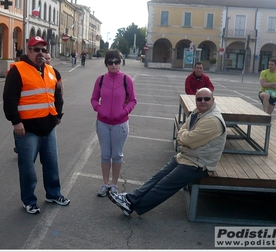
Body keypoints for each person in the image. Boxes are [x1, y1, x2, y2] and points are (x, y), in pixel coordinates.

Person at [107, 88, 226, 216]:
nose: (202, 101)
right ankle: (130, 199)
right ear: (195, 100)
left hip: (199, 164)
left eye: (206, 98)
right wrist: (184, 135)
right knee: (157, 178)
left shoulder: (212, 120)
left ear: (213, 100)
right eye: (199, 99)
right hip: (187, 156)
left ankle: (132, 205)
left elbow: (187, 140)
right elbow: (184, 133)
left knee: (164, 186)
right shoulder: (197, 113)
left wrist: (183, 135)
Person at [3, 35, 69, 215]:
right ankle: (29, 201)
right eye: (36, 49)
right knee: (28, 168)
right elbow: (9, 99)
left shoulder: (50, 70)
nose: (41, 53)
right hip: (27, 130)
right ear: (29, 50)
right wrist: (16, 122)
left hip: (48, 127)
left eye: (43, 50)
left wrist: (58, 114)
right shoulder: (18, 70)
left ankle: (53, 194)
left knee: (51, 164)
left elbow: (57, 95)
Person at [91, 50, 137, 197]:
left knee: (116, 155)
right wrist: (100, 109)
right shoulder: (100, 80)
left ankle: (114, 185)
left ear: (120, 62)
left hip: (120, 123)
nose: (114, 65)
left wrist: (124, 111)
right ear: (106, 63)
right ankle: (105, 184)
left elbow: (133, 100)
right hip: (103, 123)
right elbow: (93, 99)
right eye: (110, 62)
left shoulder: (126, 80)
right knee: (105, 154)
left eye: (116, 62)